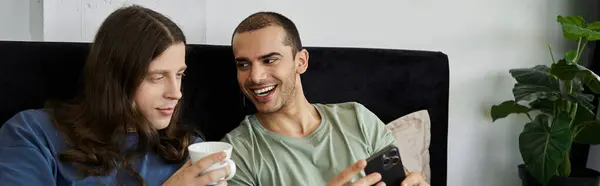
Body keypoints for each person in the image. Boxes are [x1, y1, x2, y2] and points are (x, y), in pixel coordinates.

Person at [0, 5, 231, 186]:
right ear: (115, 78)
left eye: (180, 74)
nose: (176, 93)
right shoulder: (33, 134)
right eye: (156, 77)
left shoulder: (189, 152)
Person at [221, 11, 430, 186]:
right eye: (243, 65)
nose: (255, 77)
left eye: (269, 60)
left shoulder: (357, 118)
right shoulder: (235, 154)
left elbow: (400, 176)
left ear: (301, 61)